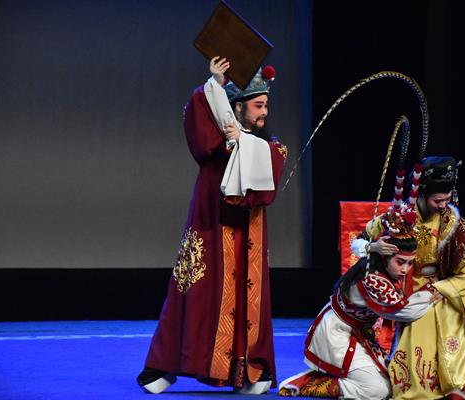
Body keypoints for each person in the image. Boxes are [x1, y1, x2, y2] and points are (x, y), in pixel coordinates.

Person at [137, 57, 287, 395]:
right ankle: (164, 365)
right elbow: (199, 127)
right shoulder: (216, 145)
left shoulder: (267, 146)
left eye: (266, 105)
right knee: (194, 291)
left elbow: (271, 168)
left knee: (248, 296)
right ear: (238, 107)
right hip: (210, 226)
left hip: (247, 234)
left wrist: (242, 141)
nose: (264, 112)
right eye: (258, 106)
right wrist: (215, 84)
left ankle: (249, 371)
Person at [352, 156, 465, 399]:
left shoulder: (450, 223)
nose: (443, 205)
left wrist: (444, 287)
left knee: (440, 320)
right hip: (394, 289)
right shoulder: (397, 218)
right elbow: (358, 242)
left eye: (447, 200)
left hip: (435, 292)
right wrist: (373, 247)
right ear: (422, 195)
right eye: (438, 200)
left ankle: (451, 384)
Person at [279, 203, 441, 399]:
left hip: (358, 332)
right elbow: (405, 311)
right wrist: (432, 293)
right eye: (400, 262)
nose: (405, 270)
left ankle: (336, 373)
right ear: (384, 256)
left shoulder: (379, 263)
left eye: (409, 263)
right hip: (337, 334)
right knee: (378, 391)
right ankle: (310, 383)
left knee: (393, 383)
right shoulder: (372, 279)